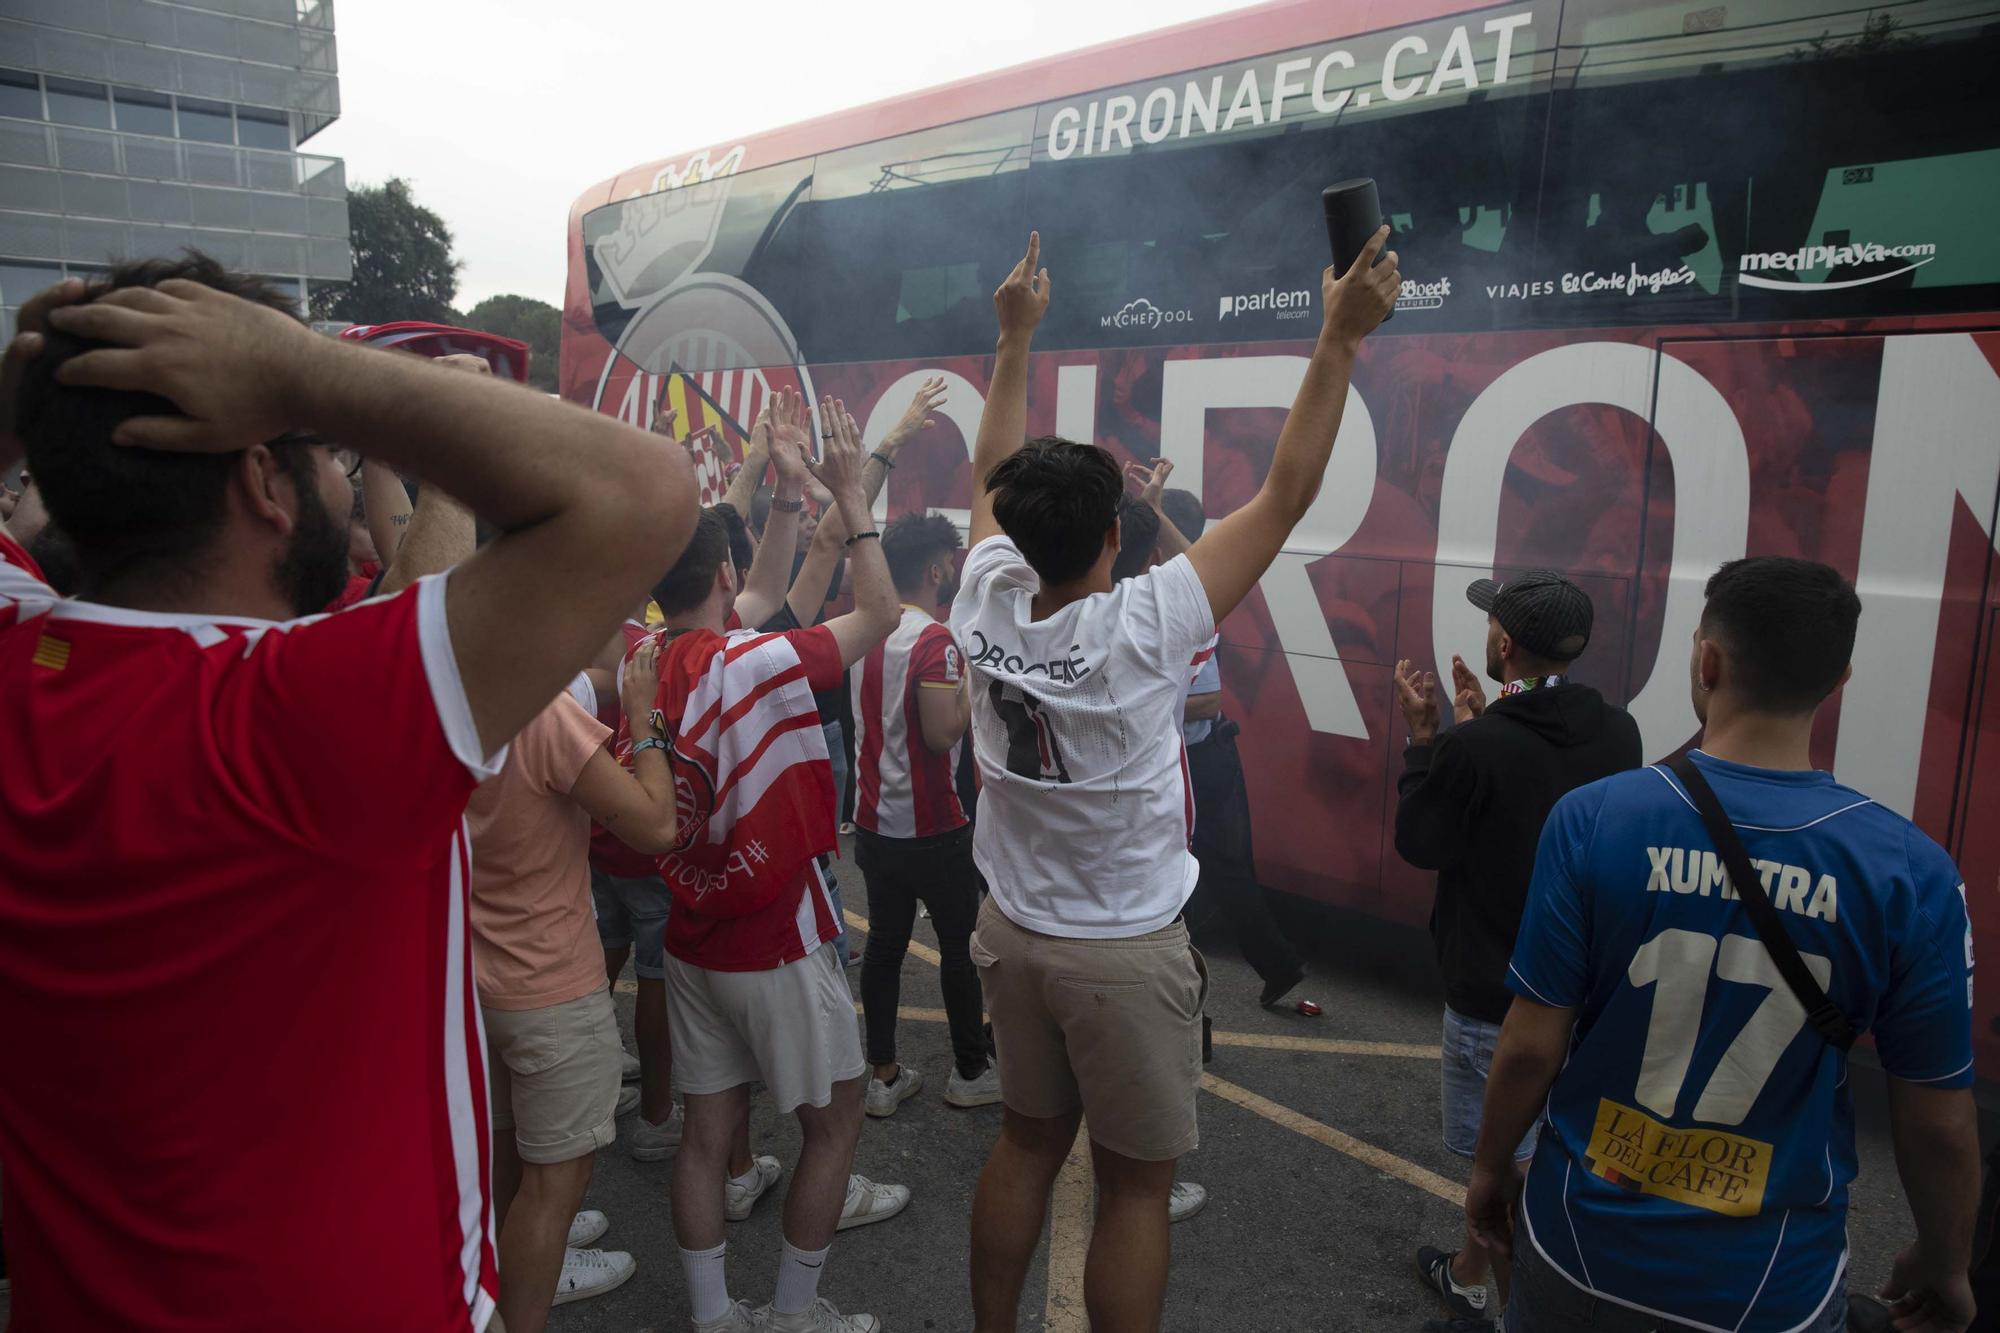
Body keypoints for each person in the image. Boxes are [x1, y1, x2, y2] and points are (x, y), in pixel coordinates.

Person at [0, 258, 695, 1330]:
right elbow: (645, 490)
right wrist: (303, 369)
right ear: (262, 484)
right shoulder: (286, 716)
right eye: (321, 453)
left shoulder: (21, 661)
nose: (339, 478)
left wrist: (46, 397)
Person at [958, 229, 1399, 1333]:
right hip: (1121, 951)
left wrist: (1011, 339)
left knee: (1021, 1144)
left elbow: (985, 475)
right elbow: (1285, 495)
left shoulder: (982, 595)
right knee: (1136, 1186)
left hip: (1010, 930)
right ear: (1117, 535)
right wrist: (1336, 340)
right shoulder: (1147, 623)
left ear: (1013, 536)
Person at [1462, 557, 1980, 1333]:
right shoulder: (1913, 874)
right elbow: (1938, 1122)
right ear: (1837, 679)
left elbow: (1531, 1048)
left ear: (1707, 660)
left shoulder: (1595, 818)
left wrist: (1490, 1167)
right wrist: (1944, 1259)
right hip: (1768, 1286)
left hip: (1577, 1250)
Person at [640, 402, 910, 1333]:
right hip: (779, 938)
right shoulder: (755, 661)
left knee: (707, 1131)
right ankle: (796, 1313)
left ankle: (715, 1318)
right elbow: (879, 612)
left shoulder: (651, 657)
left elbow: (753, 596)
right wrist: (849, 498)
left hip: (693, 936)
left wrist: (787, 493)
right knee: (834, 1126)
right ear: (721, 573)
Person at [1390, 570, 1642, 1324]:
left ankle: (1517, 1310)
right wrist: (1478, 722)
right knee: (1550, 1138)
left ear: (1501, 642)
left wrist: (1428, 740)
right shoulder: (1617, 729)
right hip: (1579, 993)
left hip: (1492, 998)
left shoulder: (1476, 746)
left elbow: (1422, 840)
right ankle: (1468, 1273)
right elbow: (1536, 772)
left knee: (1501, 1172)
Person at [465, 641, 687, 1332]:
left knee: (509, 1155)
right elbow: (655, 823)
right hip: (551, 985)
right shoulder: (542, 714)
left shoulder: (445, 703)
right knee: (556, 1184)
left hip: (475, 979)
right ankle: (526, 1298)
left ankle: (500, 1283)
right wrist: (646, 716)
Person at [1135, 471, 1309, 1010]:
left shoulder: (1188, 606)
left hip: (1198, 756)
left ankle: (1265, 971)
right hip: (1179, 758)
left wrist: (1136, 704)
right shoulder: (1157, 600)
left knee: (1222, 868)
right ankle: (1268, 969)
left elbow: (1208, 701)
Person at [851, 509, 1000, 1118]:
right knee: (960, 947)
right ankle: (970, 1069)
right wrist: (977, 684)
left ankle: (882, 1075)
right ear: (937, 568)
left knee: (885, 944)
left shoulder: (864, 629)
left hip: (873, 822)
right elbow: (942, 735)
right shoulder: (935, 641)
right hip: (933, 826)